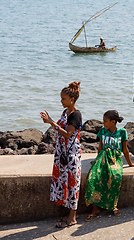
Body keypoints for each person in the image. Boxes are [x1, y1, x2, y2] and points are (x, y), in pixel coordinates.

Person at [40, 81, 82, 228]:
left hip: (71, 155)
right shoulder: (66, 112)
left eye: (63, 99)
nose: (61, 101)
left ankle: (72, 217)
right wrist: (50, 121)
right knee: (66, 182)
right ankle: (69, 214)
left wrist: (51, 123)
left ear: (72, 99)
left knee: (72, 183)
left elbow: (68, 134)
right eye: (61, 98)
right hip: (63, 153)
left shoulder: (75, 115)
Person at [84, 110, 134, 221]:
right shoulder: (102, 131)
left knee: (115, 178)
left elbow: (125, 150)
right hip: (103, 157)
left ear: (113, 122)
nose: (103, 123)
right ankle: (95, 208)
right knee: (92, 178)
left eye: (105, 121)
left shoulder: (122, 132)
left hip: (115, 159)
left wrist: (130, 164)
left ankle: (113, 205)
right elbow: (100, 147)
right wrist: (97, 160)